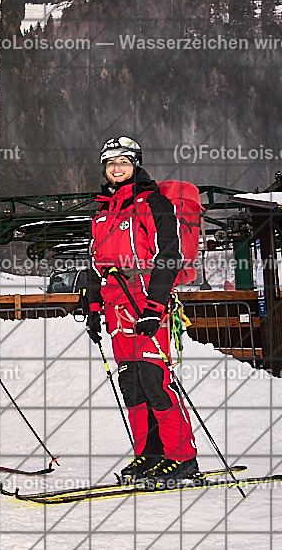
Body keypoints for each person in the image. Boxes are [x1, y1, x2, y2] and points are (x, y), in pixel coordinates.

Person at [83, 136, 199, 483]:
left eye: (123, 162)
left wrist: (155, 306)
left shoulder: (154, 203)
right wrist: (92, 307)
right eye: (110, 163)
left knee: (155, 381)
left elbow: (168, 256)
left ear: (135, 165)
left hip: (146, 300)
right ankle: (149, 455)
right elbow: (93, 264)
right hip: (116, 306)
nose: (116, 168)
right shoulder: (102, 211)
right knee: (131, 383)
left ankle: (181, 458)